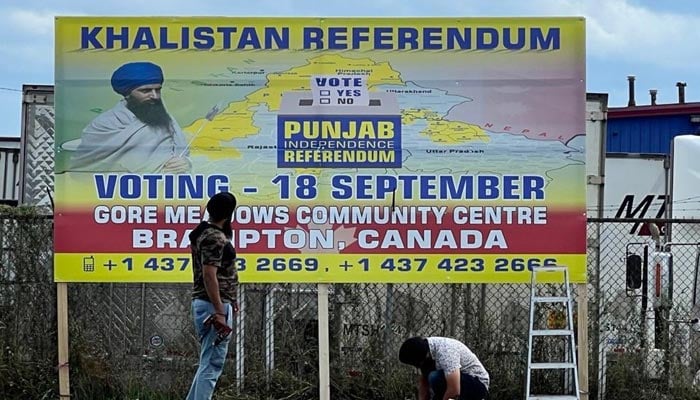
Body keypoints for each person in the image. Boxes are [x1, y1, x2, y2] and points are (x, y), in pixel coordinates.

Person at [70, 61, 191, 173]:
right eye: (146, 91)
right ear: (127, 93)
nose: (155, 96)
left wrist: (185, 163)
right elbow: (84, 165)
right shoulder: (104, 124)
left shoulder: (165, 120)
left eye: (158, 90)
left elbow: (182, 153)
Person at [186, 192, 239, 399]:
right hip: (213, 305)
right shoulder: (215, 237)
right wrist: (219, 310)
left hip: (212, 303)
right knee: (212, 365)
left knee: (207, 361)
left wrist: (230, 301)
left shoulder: (204, 232)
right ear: (229, 214)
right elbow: (210, 275)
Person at [399, 336, 489, 400]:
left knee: (434, 377)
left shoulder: (446, 352)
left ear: (421, 359)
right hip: (457, 382)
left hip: (478, 384)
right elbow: (424, 384)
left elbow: (454, 390)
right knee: (431, 376)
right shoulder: (426, 349)